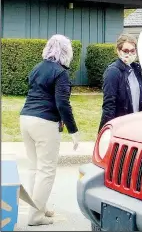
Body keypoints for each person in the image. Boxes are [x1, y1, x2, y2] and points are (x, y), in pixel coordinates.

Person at [19, 34, 79, 226]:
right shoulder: (61, 73)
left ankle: (39, 207)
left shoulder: (37, 67)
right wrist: (74, 131)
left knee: (34, 168)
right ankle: (36, 216)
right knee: (46, 170)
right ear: (65, 51)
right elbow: (63, 103)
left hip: (25, 118)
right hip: (45, 122)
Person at [98, 34, 142, 132]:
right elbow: (109, 105)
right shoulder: (113, 72)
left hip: (138, 125)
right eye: (126, 51)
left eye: (133, 50)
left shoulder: (137, 70)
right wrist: (104, 132)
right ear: (118, 51)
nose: (130, 54)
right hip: (121, 127)